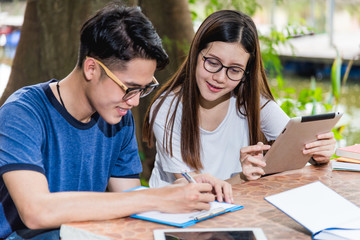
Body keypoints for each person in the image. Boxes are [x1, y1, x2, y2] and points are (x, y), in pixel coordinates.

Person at [0, 4, 233, 240]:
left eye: (143, 90)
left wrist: (178, 193)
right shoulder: (23, 113)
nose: (133, 102)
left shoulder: (118, 119)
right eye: (129, 89)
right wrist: (156, 197)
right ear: (92, 68)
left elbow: (128, 199)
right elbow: (36, 211)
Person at [143, 9, 336, 187]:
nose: (219, 77)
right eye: (212, 62)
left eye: (234, 70)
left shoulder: (253, 103)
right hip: (177, 216)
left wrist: (318, 153)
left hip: (236, 210)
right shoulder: (167, 108)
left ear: (247, 72)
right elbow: (192, 189)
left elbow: (298, 146)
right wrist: (242, 176)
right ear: (196, 53)